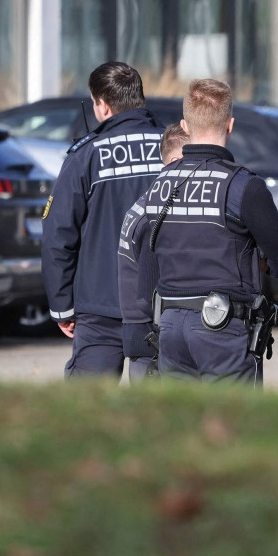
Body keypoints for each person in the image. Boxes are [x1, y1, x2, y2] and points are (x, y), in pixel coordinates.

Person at [118, 78, 278, 384]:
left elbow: (146, 271)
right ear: (230, 125)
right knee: (231, 425)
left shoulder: (160, 185)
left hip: (171, 328)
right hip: (223, 330)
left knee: (184, 425)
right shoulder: (243, 186)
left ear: (185, 126)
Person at [42, 62, 165, 379]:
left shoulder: (86, 155)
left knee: (86, 413)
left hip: (99, 308)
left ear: (103, 106)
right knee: (159, 414)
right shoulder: (171, 148)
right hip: (160, 304)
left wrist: (61, 306)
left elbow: (58, 234)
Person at [122, 123, 190, 383]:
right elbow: (149, 295)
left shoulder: (148, 201)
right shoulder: (159, 212)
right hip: (153, 347)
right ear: (174, 160)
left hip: (146, 341)